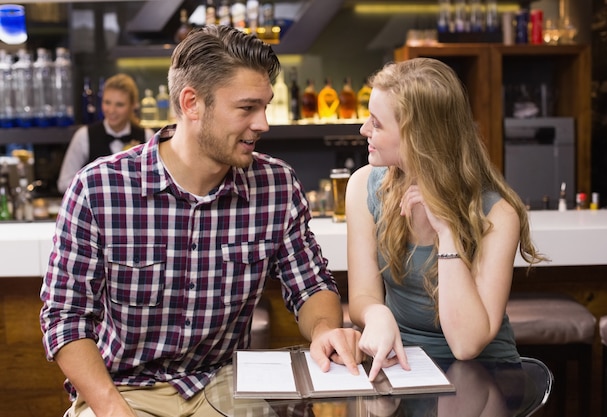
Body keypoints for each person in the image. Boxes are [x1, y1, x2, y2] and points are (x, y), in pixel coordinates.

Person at [40, 25, 362, 417]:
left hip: (226, 381)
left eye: (265, 106)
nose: (263, 123)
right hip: (123, 389)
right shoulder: (98, 188)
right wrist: (110, 408)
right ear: (192, 103)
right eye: (247, 108)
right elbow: (65, 319)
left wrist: (326, 331)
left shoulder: (276, 184)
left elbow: (310, 284)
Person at [345, 58, 547, 382]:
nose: (364, 130)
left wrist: (448, 231)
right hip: (405, 365)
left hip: (483, 372)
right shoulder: (362, 187)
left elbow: (466, 345)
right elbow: (362, 297)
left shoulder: (498, 214)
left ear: (417, 138)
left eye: (377, 123)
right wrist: (376, 313)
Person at [56, 73, 154, 193]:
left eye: (119, 104)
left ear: (133, 105)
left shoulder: (147, 136)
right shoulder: (84, 135)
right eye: (107, 103)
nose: (111, 110)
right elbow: (64, 183)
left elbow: (156, 181)